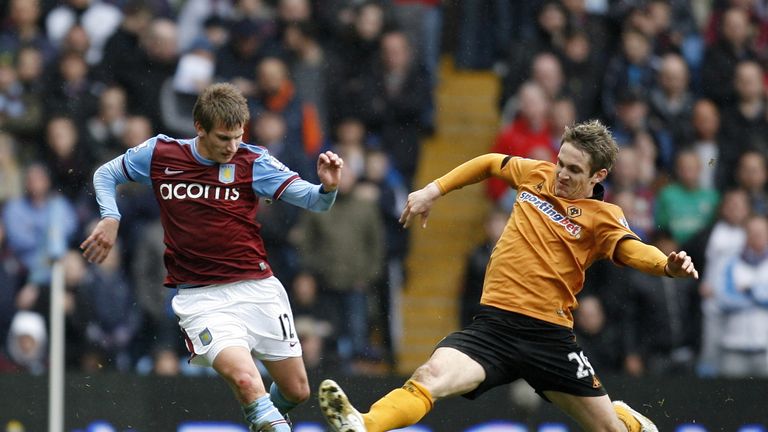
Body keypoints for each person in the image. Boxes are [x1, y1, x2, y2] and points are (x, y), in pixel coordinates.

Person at [318, 120, 698, 432]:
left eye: (574, 170)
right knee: (430, 374)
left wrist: (665, 265)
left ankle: (628, 421)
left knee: (608, 431)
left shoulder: (604, 217)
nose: (561, 175)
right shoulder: (537, 174)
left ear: (598, 174)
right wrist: (434, 190)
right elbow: (488, 163)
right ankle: (363, 424)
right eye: (561, 162)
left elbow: (632, 248)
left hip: (548, 337)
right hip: (493, 329)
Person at [80, 83, 344, 432]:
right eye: (223, 138)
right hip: (203, 299)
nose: (232, 147)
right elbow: (105, 173)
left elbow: (316, 201)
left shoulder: (253, 161)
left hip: (259, 289)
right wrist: (111, 217)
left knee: (296, 391)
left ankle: (265, 420)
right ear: (200, 128)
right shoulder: (161, 153)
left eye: (237, 137)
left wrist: (328, 187)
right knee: (249, 382)